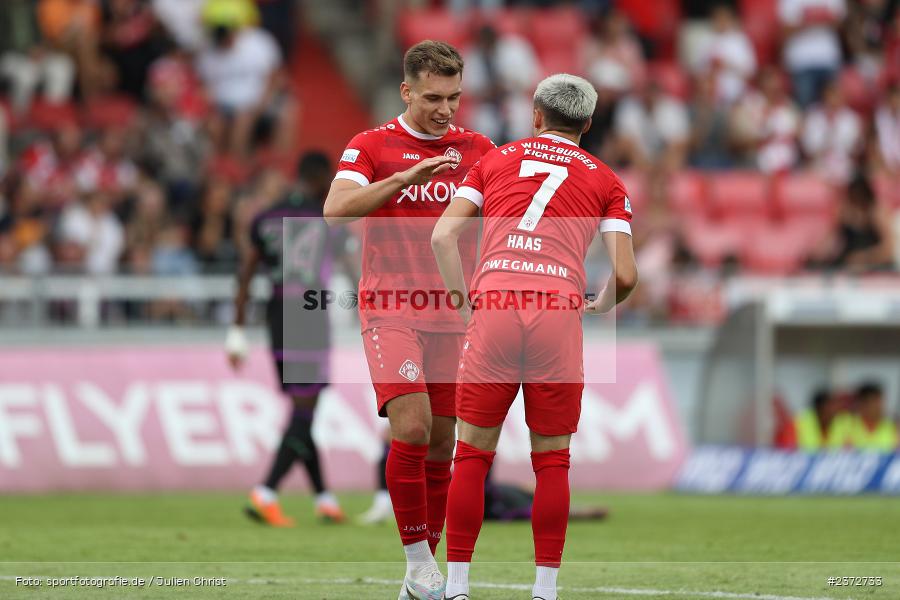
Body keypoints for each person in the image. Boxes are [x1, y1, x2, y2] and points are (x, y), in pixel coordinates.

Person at [432, 73, 638, 600]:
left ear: (536, 116)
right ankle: (545, 590)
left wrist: (463, 303)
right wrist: (600, 304)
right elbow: (627, 274)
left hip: (496, 303)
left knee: (471, 455)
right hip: (557, 311)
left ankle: (456, 588)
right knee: (552, 461)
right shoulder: (607, 181)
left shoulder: (494, 160)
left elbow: (444, 235)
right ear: (587, 125)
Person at [323, 41, 495, 600]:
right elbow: (335, 209)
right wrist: (403, 178)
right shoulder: (371, 145)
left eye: (454, 97)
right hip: (391, 306)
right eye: (433, 98)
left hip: (455, 313)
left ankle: (420, 578)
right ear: (406, 91)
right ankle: (419, 562)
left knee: (443, 445)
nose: (446, 109)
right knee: (413, 428)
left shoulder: (478, 149)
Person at [227, 152, 349, 527]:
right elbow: (353, 267)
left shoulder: (265, 218)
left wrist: (236, 330)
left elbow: (246, 272)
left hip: (277, 315)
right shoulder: (327, 218)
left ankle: (324, 499)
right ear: (322, 178)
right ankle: (266, 492)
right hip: (308, 313)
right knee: (305, 410)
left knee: (302, 408)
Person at [832, 383, 899, 451]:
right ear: (863, 404)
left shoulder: (890, 426)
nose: (880, 407)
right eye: (875, 403)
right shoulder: (844, 422)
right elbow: (832, 449)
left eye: (881, 403)